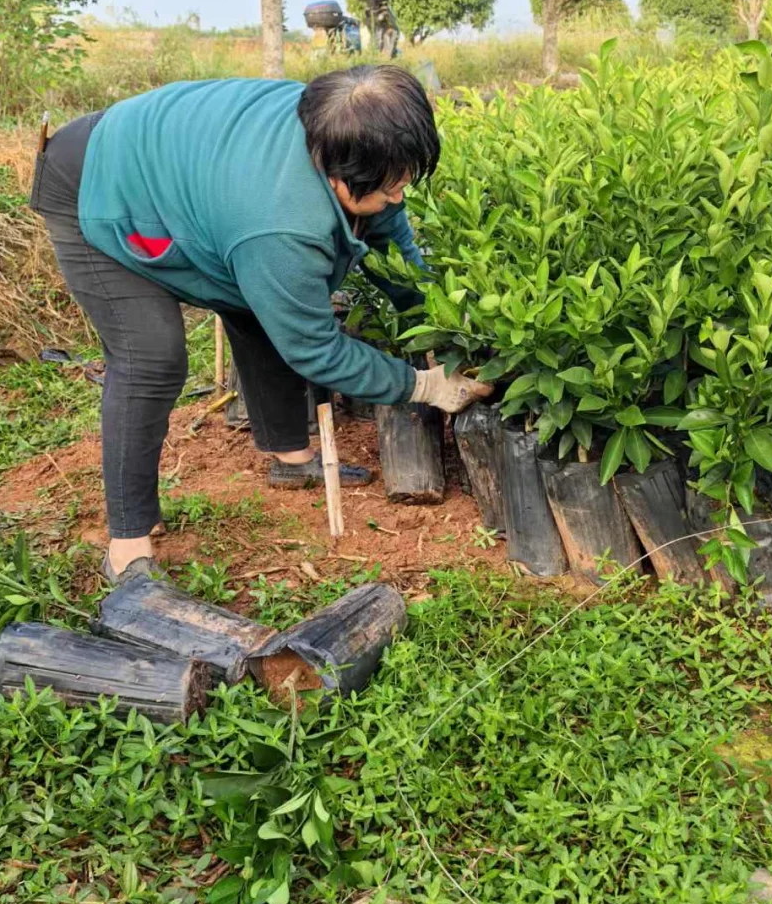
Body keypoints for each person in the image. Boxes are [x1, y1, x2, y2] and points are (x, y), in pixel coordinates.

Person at [30, 64, 492, 583]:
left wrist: (444, 329)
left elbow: (395, 251)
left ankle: (291, 457)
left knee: (260, 303)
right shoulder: (279, 226)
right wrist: (424, 385)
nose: (398, 198)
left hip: (179, 169)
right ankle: (127, 543)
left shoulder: (350, 130)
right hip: (98, 185)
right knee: (151, 358)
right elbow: (316, 350)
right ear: (341, 173)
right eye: (388, 188)